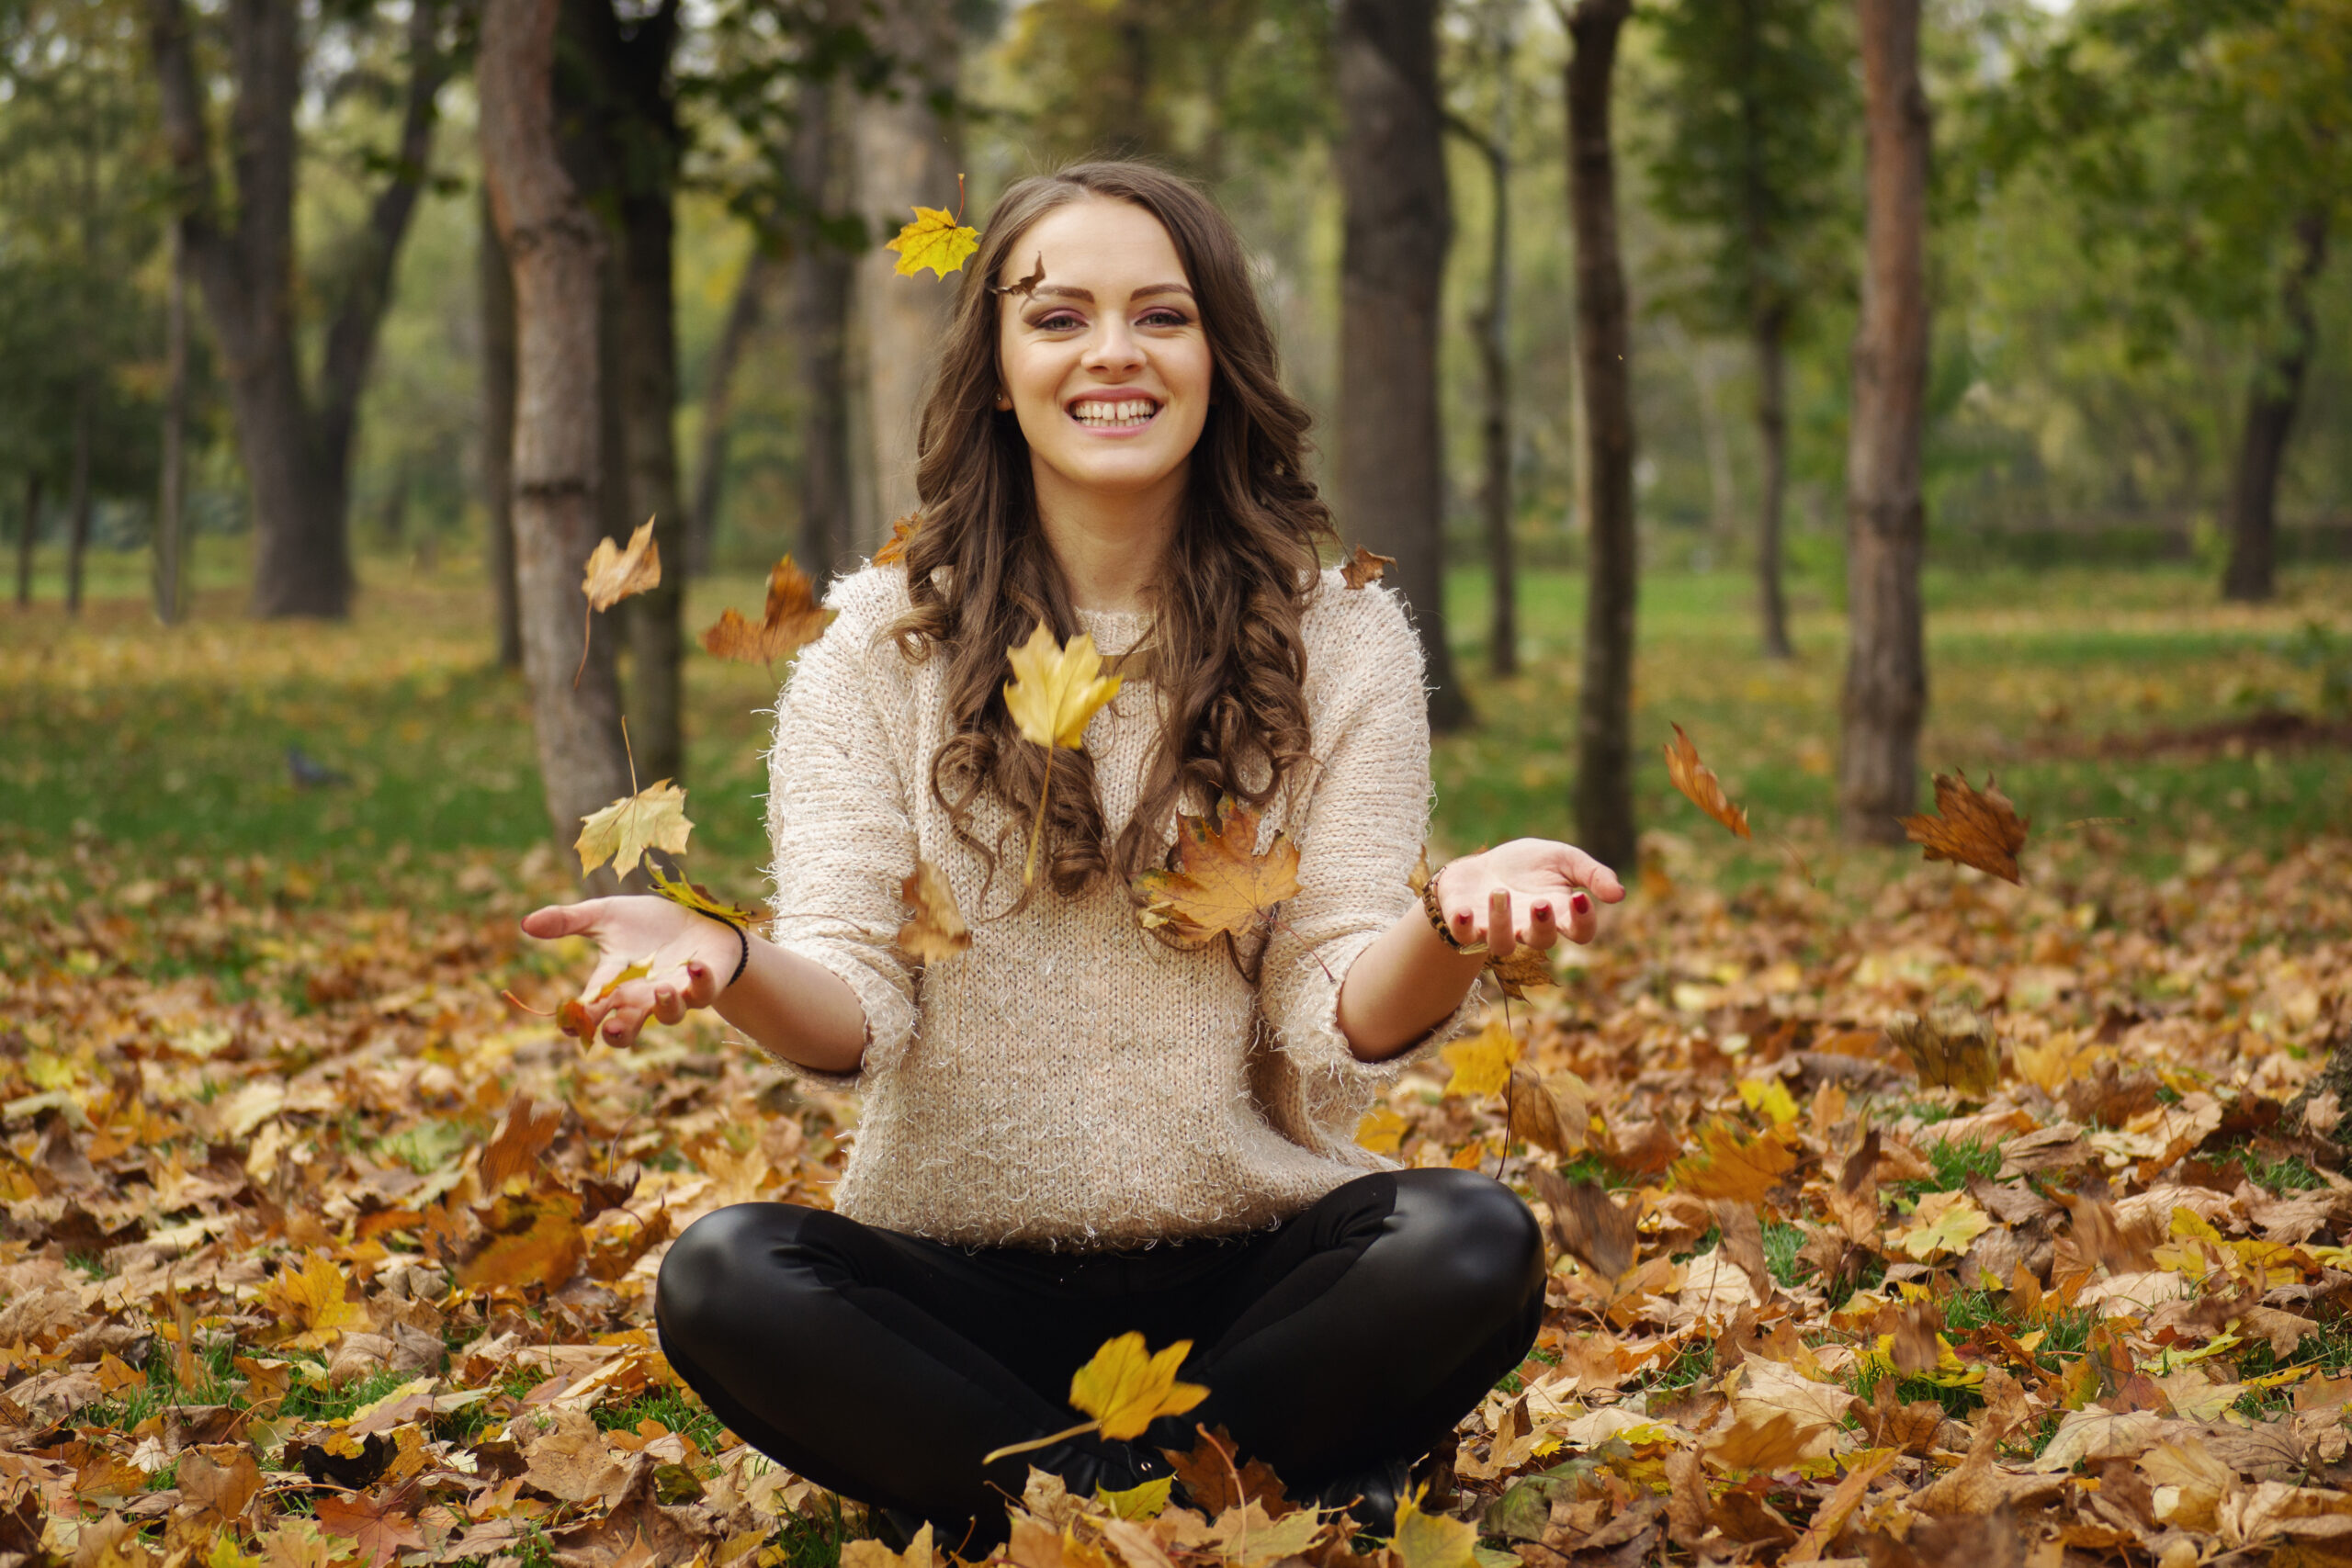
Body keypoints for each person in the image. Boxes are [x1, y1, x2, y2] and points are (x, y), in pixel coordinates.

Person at [522, 161, 1625, 1555]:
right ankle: (1210, 1504)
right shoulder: (875, 648)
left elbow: (1337, 1005)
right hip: (955, 1298)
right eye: (1058, 318)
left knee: (1471, 1243)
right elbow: (857, 1008)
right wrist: (732, 959)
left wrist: (1452, 924)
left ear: (1218, 355)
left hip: (1255, 1285)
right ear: (994, 367)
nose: (1113, 353)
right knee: (728, 1276)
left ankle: (1051, 1518)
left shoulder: (1341, 642)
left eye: (1161, 315)